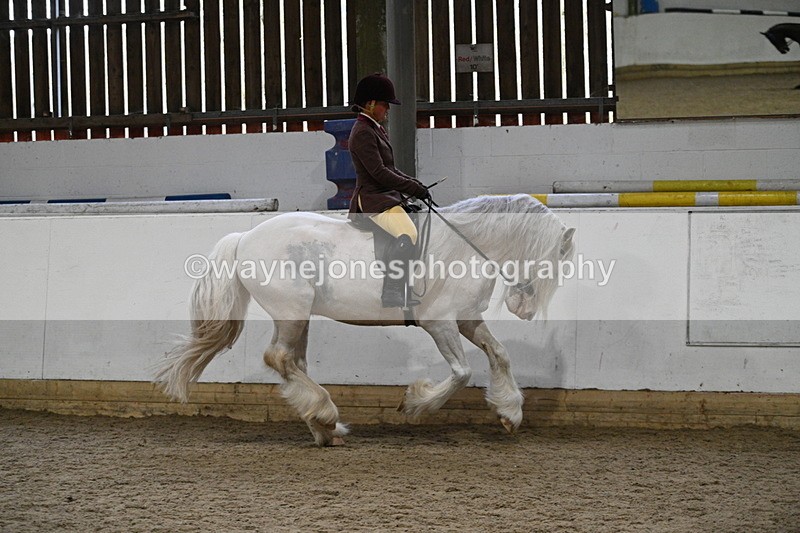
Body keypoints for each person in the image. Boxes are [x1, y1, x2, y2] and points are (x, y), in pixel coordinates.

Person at [347, 73, 430, 309]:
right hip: (373, 199)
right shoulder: (363, 132)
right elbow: (379, 173)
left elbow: (390, 168)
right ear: (371, 103)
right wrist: (412, 187)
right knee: (409, 234)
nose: (388, 110)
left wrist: (416, 184)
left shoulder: (375, 128)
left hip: (386, 196)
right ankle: (391, 291)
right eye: (385, 104)